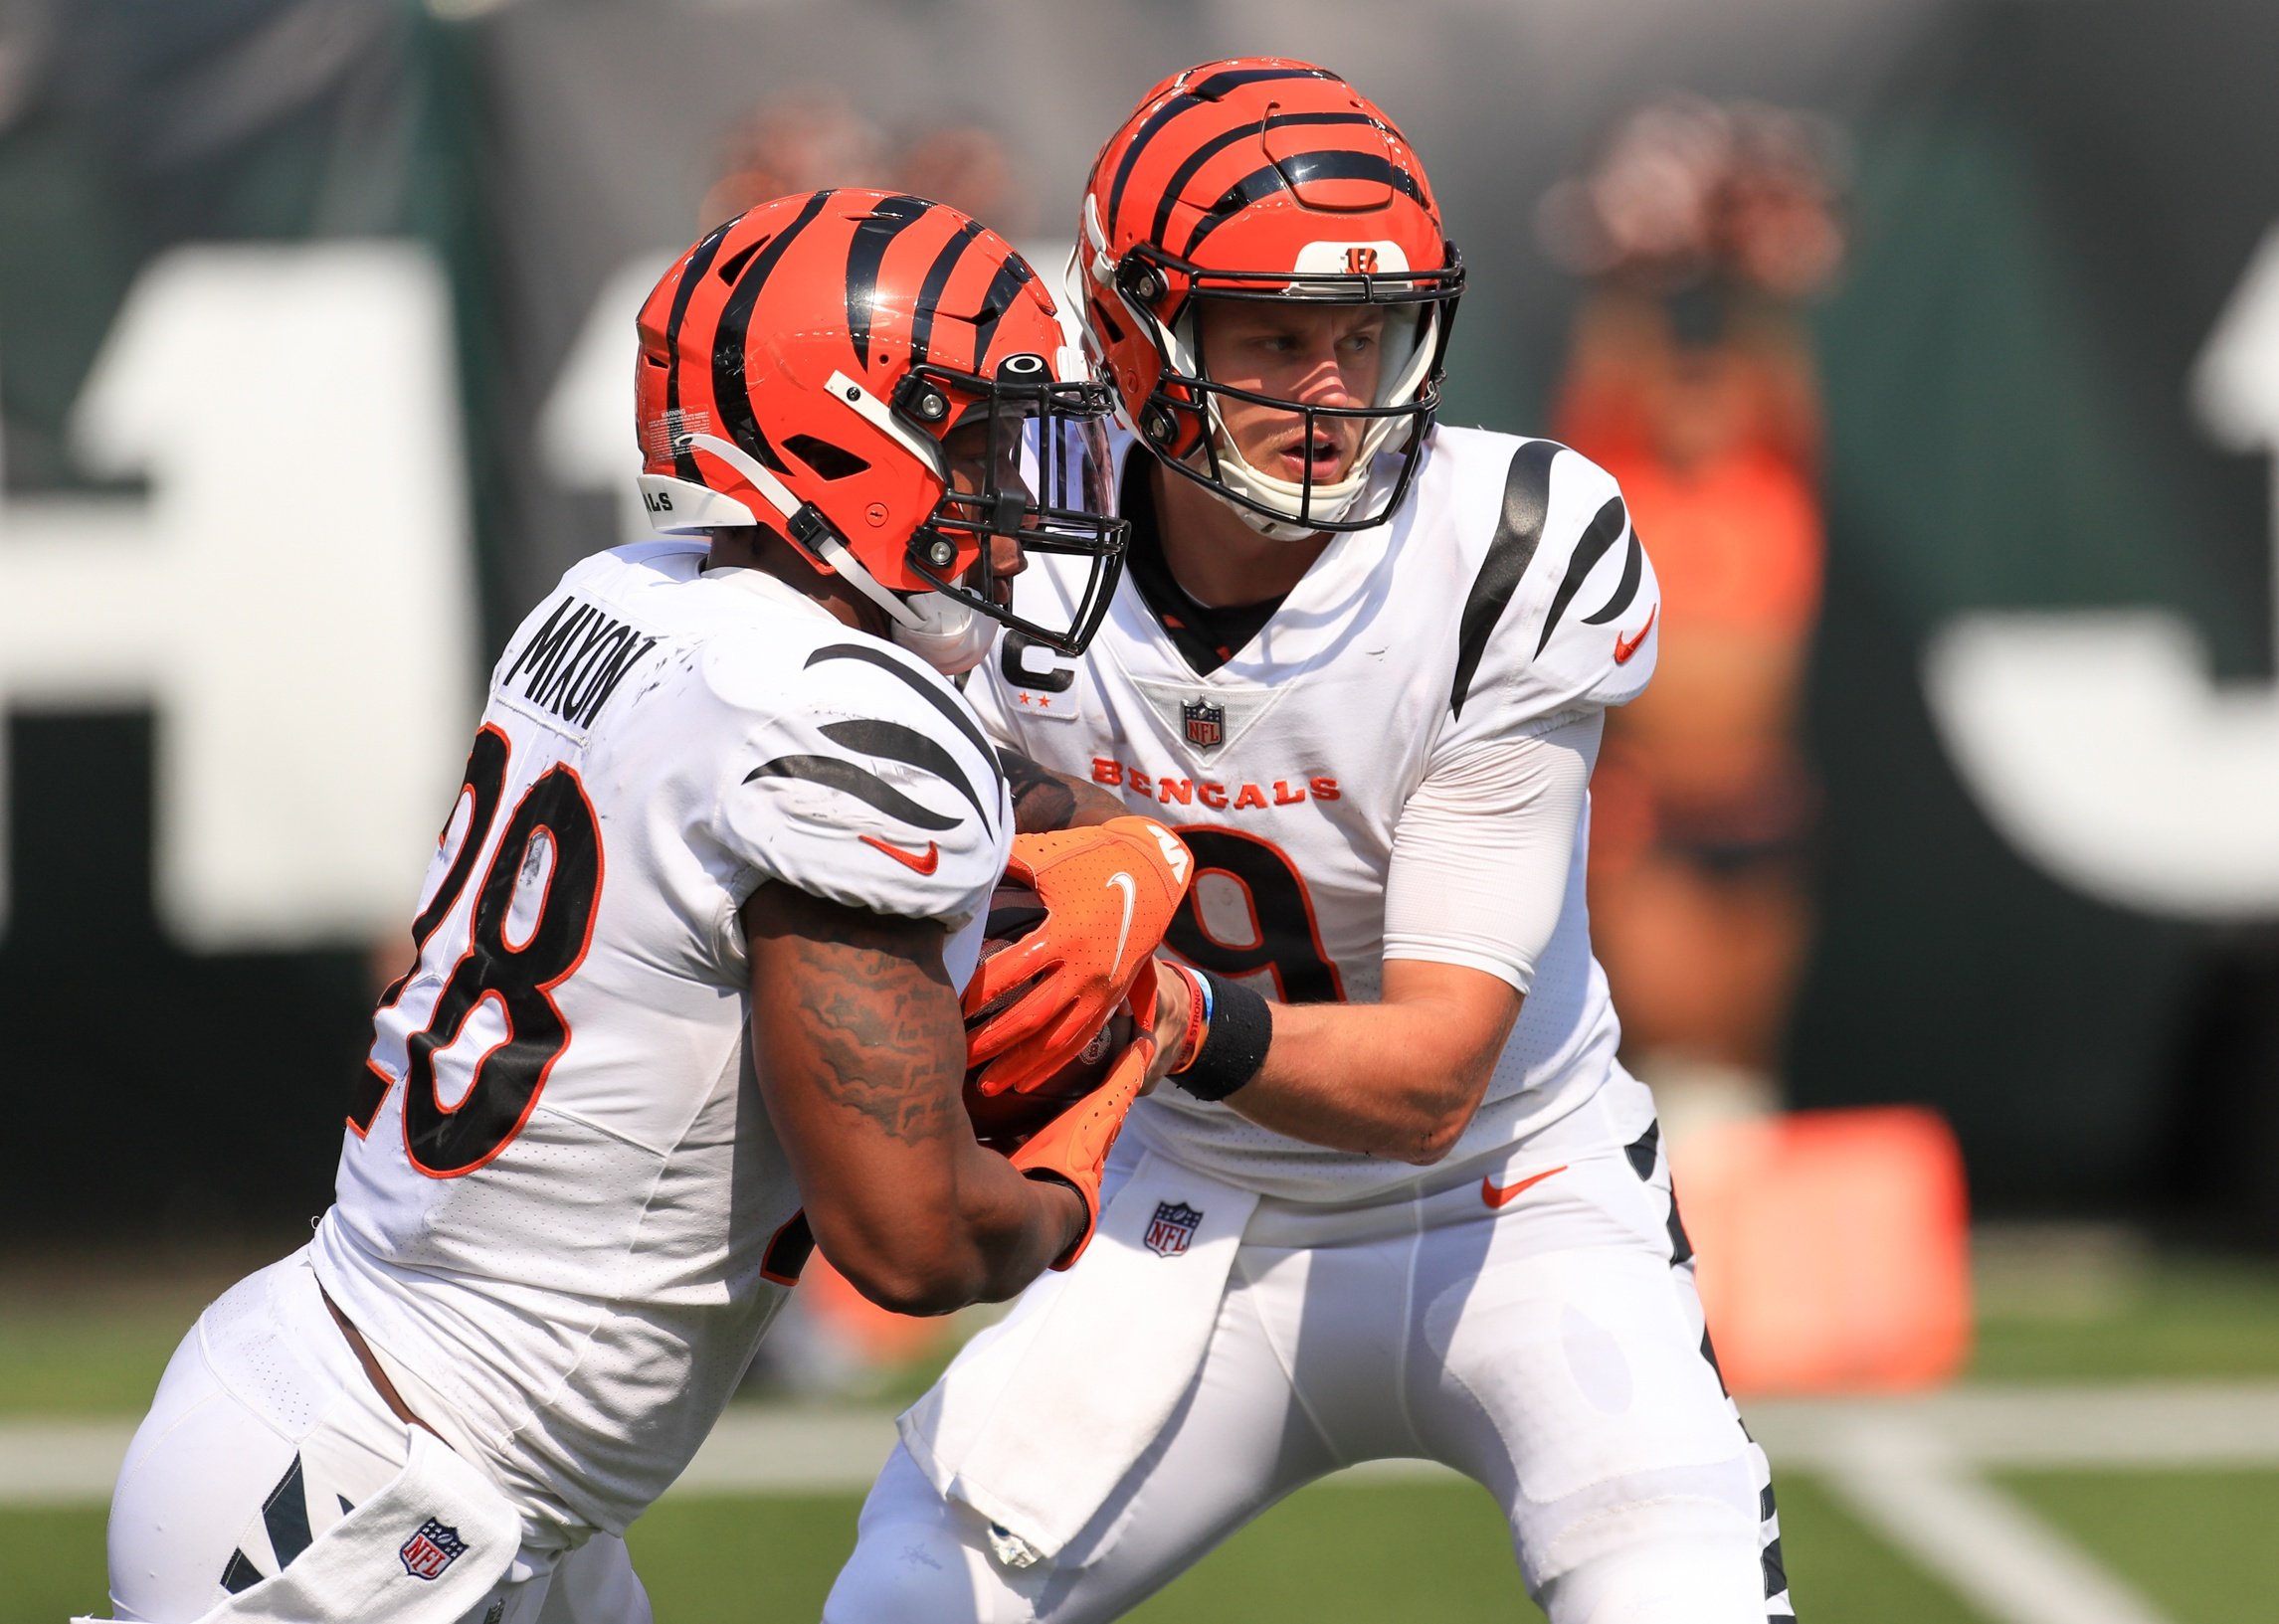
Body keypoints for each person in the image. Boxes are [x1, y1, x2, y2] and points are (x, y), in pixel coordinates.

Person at [89, 189, 1191, 1624]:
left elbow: (789, 843)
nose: (1013, 492)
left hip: (381, 1413)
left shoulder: (624, 595)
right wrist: (1079, 1157)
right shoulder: (837, 722)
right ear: (845, 436)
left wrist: (1117, 854)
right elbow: (909, 1240)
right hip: (376, 1511)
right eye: (973, 436)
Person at [826, 61, 1796, 1624]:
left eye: (1367, 334)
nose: (1335, 390)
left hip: (1515, 1197)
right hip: (1180, 1203)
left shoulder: (1507, 548)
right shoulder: (1005, 542)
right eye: (1276, 335)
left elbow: (1430, 1080)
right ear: (1141, 333)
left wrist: (1144, 1007)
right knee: (904, 1603)